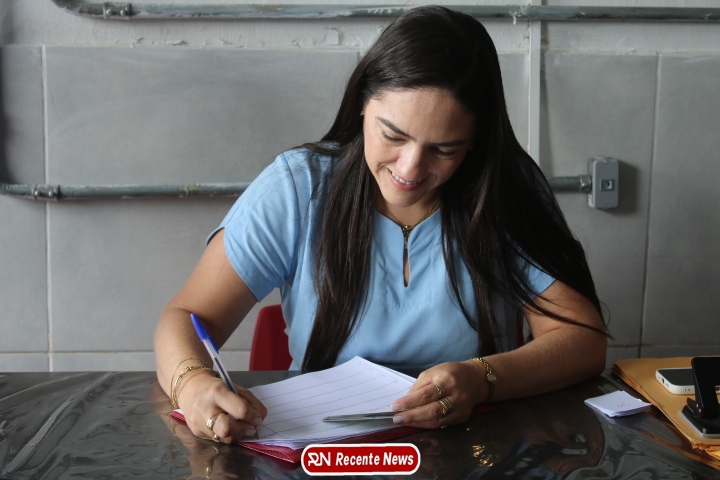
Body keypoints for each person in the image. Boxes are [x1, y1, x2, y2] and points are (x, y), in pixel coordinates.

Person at [154, 5, 608, 444]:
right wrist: (192, 384)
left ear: (475, 141)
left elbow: (582, 339)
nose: (410, 169)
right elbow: (186, 318)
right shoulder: (298, 188)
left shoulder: (506, 188)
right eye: (393, 135)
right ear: (361, 105)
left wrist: (484, 378)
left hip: (476, 452)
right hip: (323, 456)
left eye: (444, 150)